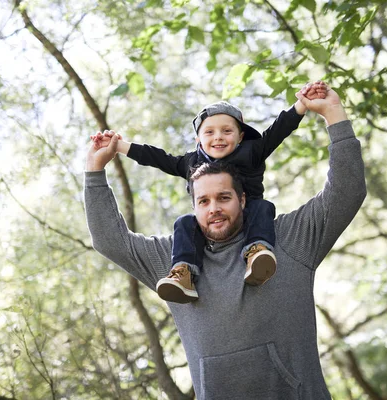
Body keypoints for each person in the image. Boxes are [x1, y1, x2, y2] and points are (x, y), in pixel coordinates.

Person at [84, 84, 366, 399]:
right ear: (193, 206)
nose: (214, 207)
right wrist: (95, 170)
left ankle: (255, 252)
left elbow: (346, 192)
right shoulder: (173, 258)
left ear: (243, 199)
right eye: (203, 201)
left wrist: (334, 115)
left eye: (224, 197)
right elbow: (109, 240)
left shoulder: (289, 238)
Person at [90, 82, 328, 303]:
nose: (218, 137)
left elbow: (278, 130)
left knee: (262, 207)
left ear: (240, 136)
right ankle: (184, 272)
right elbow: (158, 158)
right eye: (210, 132)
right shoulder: (191, 162)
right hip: (213, 222)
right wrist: (120, 146)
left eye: (227, 131)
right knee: (185, 223)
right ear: (198, 139)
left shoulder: (253, 151)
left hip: (249, 214)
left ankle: (257, 252)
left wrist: (301, 105)